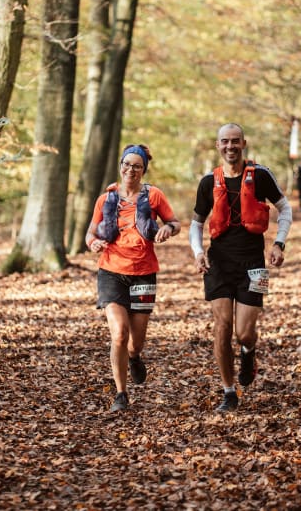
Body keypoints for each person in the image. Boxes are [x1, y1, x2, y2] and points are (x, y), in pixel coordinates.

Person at [189, 123, 292, 412]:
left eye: (235, 141)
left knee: (244, 332)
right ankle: (228, 391)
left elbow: (285, 209)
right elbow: (196, 224)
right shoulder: (208, 182)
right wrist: (198, 253)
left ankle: (249, 351)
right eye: (225, 141)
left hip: (254, 265)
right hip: (219, 264)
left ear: (244, 144)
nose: (230, 146)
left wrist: (279, 244)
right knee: (222, 327)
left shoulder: (260, 175)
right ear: (217, 145)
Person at [86, 144, 180, 413]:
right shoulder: (105, 199)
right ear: (120, 166)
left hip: (143, 273)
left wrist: (167, 229)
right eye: (126, 164)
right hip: (111, 272)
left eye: (137, 166)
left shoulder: (154, 196)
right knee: (119, 333)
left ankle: (135, 357)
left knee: (135, 342)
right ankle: (121, 393)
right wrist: (93, 243)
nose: (131, 170)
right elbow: (90, 233)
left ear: (143, 170)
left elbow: (175, 223)